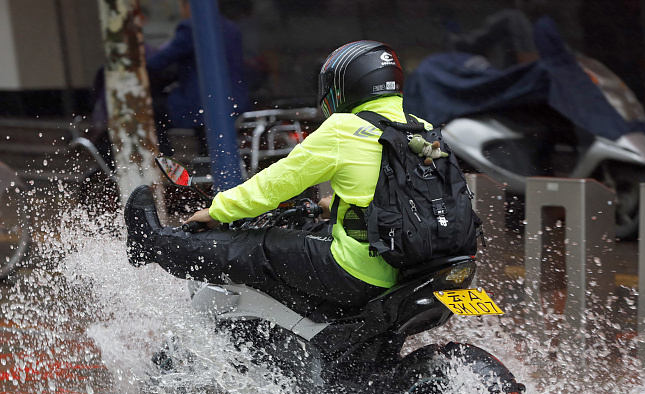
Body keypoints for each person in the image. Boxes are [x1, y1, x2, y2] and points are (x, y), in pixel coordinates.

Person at [124, 40, 429, 311]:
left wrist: (216, 211)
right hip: (410, 265)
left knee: (256, 246)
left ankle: (150, 243)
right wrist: (331, 204)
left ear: (344, 87)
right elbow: (402, 189)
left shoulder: (345, 129)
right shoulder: (421, 129)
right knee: (312, 234)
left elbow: (273, 185)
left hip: (361, 270)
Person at [145, 0, 252, 153]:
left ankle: (165, 163)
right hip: (237, 102)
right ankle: (203, 156)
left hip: (204, 104)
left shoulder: (190, 27)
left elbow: (158, 62)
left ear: (188, 6)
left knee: (151, 110)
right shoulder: (232, 28)